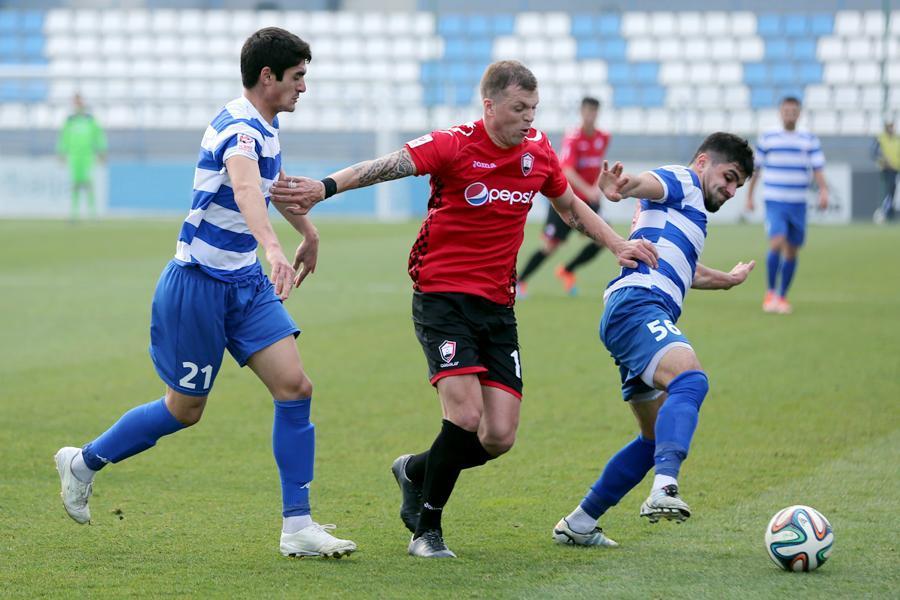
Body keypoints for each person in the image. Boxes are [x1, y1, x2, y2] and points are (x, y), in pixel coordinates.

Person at [269, 60, 658, 558]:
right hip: (442, 296)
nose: (528, 118)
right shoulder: (454, 144)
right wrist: (324, 188)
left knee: (499, 436)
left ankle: (414, 470)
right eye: (519, 108)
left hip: (498, 306)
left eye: (534, 108)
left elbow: (569, 207)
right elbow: (385, 165)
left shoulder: (538, 151)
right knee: (465, 414)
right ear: (490, 106)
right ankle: (426, 531)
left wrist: (617, 243)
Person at [54, 27, 357, 559]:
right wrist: (273, 248)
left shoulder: (266, 126)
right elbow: (245, 188)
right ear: (268, 76)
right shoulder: (238, 129)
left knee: (295, 387)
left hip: (244, 284)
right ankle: (83, 462)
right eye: (297, 76)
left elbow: (273, 185)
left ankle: (298, 525)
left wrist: (307, 232)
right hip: (197, 285)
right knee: (185, 409)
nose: (303, 87)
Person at [552, 133, 756, 548]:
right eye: (729, 177)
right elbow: (650, 182)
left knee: (653, 438)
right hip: (638, 306)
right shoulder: (684, 180)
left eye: (739, 185)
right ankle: (665, 487)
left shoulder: (687, 214)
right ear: (704, 162)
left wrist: (729, 280)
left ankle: (579, 523)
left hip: (636, 310)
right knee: (690, 380)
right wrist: (622, 187)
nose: (731, 191)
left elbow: (688, 271)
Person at [517, 97, 611, 297]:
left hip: (588, 202)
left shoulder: (603, 137)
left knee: (604, 238)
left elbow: (597, 165)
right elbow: (567, 170)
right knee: (549, 247)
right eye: (588, 111)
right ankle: (519, 282)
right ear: (582, 112)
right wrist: (589, 189)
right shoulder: (573, 138)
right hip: (566, 200)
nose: (591, 116)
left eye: (594, 112)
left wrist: (596, 187)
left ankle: (567, 270)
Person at [744, 96, 827, 315]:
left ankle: (782, 296)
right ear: (780, 112)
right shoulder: (768, 137)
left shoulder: (809, 139)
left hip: (798, 202)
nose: (790, 115)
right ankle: (770, 292)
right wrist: (749, 196)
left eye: (793, 111)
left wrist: (824, 191)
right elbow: (756, 169)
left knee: (792, 250)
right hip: (775, 199)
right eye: (786, 111)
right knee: (777, 241)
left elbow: (818, 168)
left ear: (799, 114)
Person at [56, 93, 107, 220]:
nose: (78, 104)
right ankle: (74, 213)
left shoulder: (90, 120)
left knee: (88, 182)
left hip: (87, 155)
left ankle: (92, 212)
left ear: (83, 103)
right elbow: (64, 138)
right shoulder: (70, 121)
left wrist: (101, 151)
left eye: (79, 101)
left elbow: (98, 135)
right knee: (75, 183)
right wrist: (62, 153)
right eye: (76, 102)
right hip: (74, 155)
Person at [872, 119, 899, 223]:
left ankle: (889, 213)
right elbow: (874, 153)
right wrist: (883, 161)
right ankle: (884, 212)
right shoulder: (881, 139)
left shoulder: (897, 139)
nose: (891, 128)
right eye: (889, 126)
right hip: (886, 169)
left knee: (892, 191)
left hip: (896, 168)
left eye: (892, 126)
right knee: (887, 191)